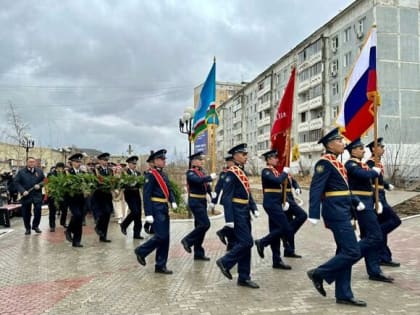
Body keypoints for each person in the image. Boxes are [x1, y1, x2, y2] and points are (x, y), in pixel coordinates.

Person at [307, 128, 366, 307]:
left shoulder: (338, 164)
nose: (343, 144)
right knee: (353, 251)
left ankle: (344, 294)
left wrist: (355, 201)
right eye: (339, 141)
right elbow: (316, 188)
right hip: (335, 213)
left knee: (344, 252)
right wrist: (313, 213)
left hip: (344, 210)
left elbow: (344, 188)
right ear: (330, 144)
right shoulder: (324, 163)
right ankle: (319, 273)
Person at [344, 138, 394, 283]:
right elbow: (365, 176)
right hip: (360, 203)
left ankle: (374, 270)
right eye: (360, 148)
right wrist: (374, 171)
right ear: (352, 150)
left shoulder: (359, 164)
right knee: (375, 236)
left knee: (370, 237)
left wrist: (376, 201)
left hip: (368, 202)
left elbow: (367, 183)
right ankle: (345, 258)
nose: (363, 150)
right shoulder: (351, 165)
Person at [215, 143, 260, 289]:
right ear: (235, 156)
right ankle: (225, 262)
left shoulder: (241, 171)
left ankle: (244, 277)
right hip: (237, 211)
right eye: (243, 154)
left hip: (244, 210)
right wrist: (229, 219)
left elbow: (247, 192)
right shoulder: (231, 173)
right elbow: (227, 197)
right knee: (247, 242)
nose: (246, 157)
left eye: (246, 154)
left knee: (246, 245)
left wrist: (253, 207)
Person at [134, 149, 177, 274]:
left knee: (166, 238)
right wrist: (148, 214)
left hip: (164, 207)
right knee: (161, 236)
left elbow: (169, 188)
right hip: (156, 207)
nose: (164, 161)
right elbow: (146, 195)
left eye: (164, 159)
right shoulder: (151, 175)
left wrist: (172, 200)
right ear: (154, 162)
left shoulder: (163, 174)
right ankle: (141, 251)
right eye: (161, 159)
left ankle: (160, 265)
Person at [254, 149, 292, 270]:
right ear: (269, 159)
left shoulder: (275, 171)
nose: (277, 160)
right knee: (285, 228)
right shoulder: (266, 171)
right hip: (270, 203)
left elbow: (280, 186)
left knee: (275, 231)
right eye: (275, 158)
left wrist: (283, 201)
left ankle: (277, 260)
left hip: (276, 203)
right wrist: (285, 173)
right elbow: (277, 181)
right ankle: (262, 242)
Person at [366, 138, 401, 267]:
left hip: (381, 195)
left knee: (384, 224)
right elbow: (367, 181)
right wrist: (375, 200)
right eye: (381, 146)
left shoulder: (378, 162)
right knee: (395, 220)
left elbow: (378, 179)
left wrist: (386, 185)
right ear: (373, 149)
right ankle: (375, 234)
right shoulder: (370, 163)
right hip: (376, 197)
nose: (383, 148)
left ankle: (384, 257)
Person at [180, 151, 216, 260]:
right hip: (195, 201)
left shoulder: (201, 172)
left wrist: (211, 195)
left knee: (199, 227)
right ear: (194, 162)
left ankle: (198, 253)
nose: (202, 161)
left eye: (202, 159)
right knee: (205, 224)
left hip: (202, 201)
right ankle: (187, 240)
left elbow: (205, 185)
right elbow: (197, 181)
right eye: (200, 160)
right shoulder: (191, 173)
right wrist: (209, 177)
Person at [14, 157, 46, 235]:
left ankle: (35, 226)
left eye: (33, 162)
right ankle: (27, 228)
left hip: (37, 195)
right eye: (30, 162)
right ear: (27, 163)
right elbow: (16, 182)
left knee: (38, 210)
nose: (32, 163)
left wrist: (40, 185)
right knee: (26, 213)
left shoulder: (39, 171)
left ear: (35, 163)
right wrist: (22, 191)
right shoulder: (21, 172)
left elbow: (45, 180)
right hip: (26, 196)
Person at [282, 174, 308, 258]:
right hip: (284, 198)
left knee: (290, 222)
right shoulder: (278, 171)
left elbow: (293, 181)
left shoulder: (287, 172)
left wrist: (297, 187)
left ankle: (289, 250)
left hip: (290, 197)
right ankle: (285, 237)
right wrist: (283, 200)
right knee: (302, 215)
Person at [213, 156, 236, 250]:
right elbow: (218, 188)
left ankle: (228, 239)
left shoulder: (237, 172)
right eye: (229, 162)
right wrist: (213, 202)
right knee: (230, 223)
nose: (231, 164)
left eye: (232, 162)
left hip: (237, 202)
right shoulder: (224, 174)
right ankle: (230, 244)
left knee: (235, 223)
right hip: (228, 201)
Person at [64, 153, 86, 247]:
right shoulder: (67, 172)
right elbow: (63, 185)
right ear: (72, 162)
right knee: (77, 215)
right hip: (72, 198)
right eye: (76, 162)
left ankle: (76, 241)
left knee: (79, 219)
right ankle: (69, 230)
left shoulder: (83, 173)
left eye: (79, 162)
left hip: (81, 198)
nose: (78, 163)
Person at [92, 152, 114, 242]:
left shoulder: (110, 171)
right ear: (99, 161)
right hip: (99, 194)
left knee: (108, 213)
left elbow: (112, 180)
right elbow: (93, 182)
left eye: (106, 160)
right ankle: (98, 228)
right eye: (104, 160)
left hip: (107, 194)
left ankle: (103, 235)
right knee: (102, 213)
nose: (105, 162)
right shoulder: (95, 170)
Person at [120, 156, 144, 240]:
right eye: (133, 163)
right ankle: (124, 224)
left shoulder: (138, 173)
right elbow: (121, 184)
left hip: (136, 193)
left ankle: (137, 233)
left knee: (138, 214)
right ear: (129, 164)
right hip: (129, 194)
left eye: (135, 163)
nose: (134, 165)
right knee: (135, 211)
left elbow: (140, 183)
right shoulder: (125, 173)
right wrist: (128, 183)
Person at [45, 163, 66, 232]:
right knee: (52, 212)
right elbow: (46, 183)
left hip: (63, 195)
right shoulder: (50, 174)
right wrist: (49, 190)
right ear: (56, 168)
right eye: (59, 168)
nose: (60, 170)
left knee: (64, 210)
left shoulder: (65, 174)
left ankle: (63, 222)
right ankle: (52, 225)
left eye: (61, 168)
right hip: (53, 195)